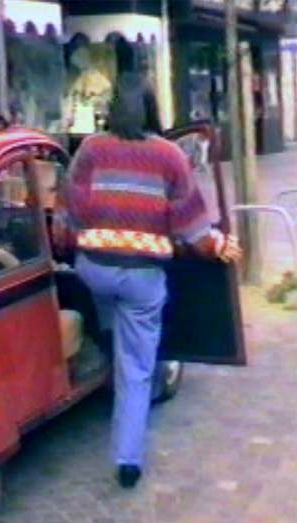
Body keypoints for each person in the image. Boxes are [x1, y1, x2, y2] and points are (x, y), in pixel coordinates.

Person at [62, 74, 242, 489]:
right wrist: (220, 246)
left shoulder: (90, 149)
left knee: (108, 311)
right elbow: (194, 233)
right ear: (151, 108)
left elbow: (69, 212)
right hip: (142, 278)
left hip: (94, 269)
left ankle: (104, 340)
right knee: (137, 366)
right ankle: (127, 459)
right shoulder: (169, 156)